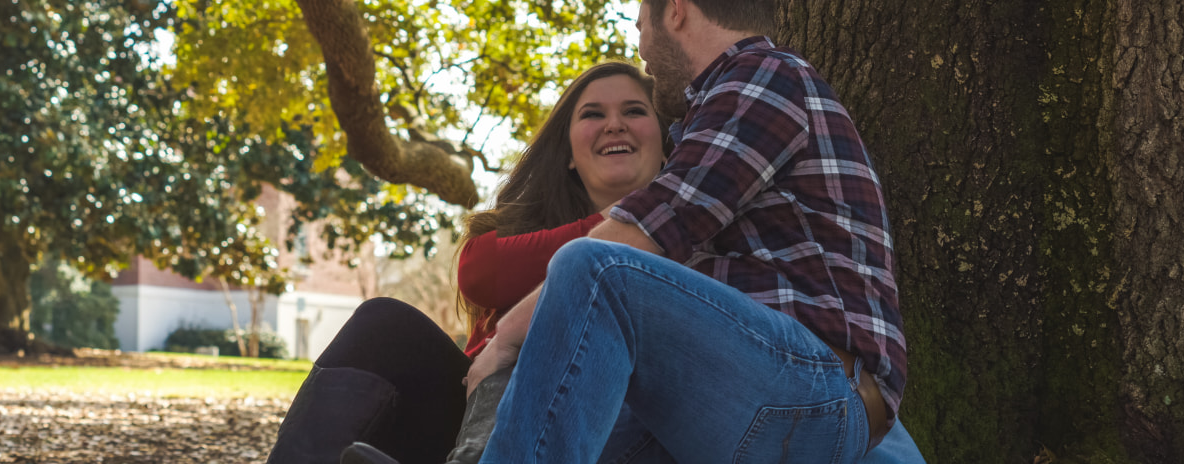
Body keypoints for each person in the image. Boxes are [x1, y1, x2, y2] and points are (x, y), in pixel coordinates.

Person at [455, 0, 922, 461]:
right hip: (730, 395)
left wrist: (509, 339)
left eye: (641, 27)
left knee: (593, 268)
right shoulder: (713, 114)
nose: (642, 51)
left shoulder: (765, 76)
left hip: (811, 392)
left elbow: (649, 231)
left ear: (676, 10)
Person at [265, 61, 670, 464]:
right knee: (382, 324)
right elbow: (479, 273)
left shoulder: (695, 237)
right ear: (567, 155)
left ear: (667, 140)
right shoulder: (527, 228)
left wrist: (662, 216)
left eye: (634, 111)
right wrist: (629, 220)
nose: (615, 124)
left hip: (594, 433)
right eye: (593, 114)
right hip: (467, 413)